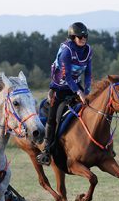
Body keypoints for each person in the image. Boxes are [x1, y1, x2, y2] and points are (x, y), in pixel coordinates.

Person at [36, 22, 93, 166]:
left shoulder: (88, 51)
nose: (83, 38)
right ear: (73, 37)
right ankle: (46, 150)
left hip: (76, 86)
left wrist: (87, 91)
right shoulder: (67, 52)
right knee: (54, 117)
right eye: (80, 37)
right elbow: (67, 77)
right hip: (59, 88)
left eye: (85, 36)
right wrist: (80, 93)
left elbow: (88, 73)